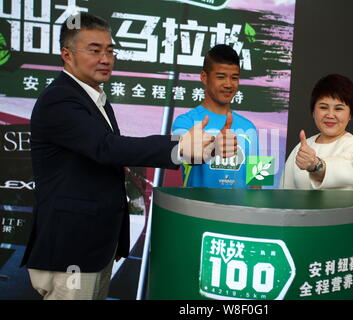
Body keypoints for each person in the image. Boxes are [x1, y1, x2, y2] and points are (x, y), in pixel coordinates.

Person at [20, 12, 233, 300]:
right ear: (67, 55)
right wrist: (180, 146)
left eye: (110, 50)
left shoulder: (94, 99)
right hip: (71, 249)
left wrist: (206, 147)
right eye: (94, 50)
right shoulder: (60, 99)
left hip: (93, 246)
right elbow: (107, 148)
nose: (106, 58)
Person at [172, 44, 258, 188]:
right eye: (221, 77)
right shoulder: (185, 122)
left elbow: (258, 184)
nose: (228, 84)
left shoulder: (250, 127)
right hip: (197, 210)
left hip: (241, 211)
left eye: (234, 78)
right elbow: (186, 155)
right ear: (204, 77)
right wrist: (213, 147)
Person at [280, 74, 353, 192]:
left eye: (338, 109)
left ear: (350, 114)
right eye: (323, 107)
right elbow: (284, 194)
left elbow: (348, 170)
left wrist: (315, 165)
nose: (330, 115)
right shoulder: (302, 148)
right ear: (313, 111)